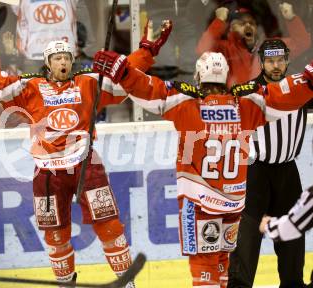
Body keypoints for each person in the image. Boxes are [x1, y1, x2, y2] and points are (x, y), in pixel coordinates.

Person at [0, 20, 171, 287]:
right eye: (57, 58)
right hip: (47, 171)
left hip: (86, 167)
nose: (63, 62)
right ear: (48, 62)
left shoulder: (87, 83)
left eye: (66, 57)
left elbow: (125, 77)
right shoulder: (29, 87)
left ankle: (127, 282)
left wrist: (146, 50)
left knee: (109, 225)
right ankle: (66, 282)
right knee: (55, 234)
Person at [92, 45, 313, 287]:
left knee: (204, 270)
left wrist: (122, 71)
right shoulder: (247, 104)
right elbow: (289, 93)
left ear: (198, 77)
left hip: (199, 206)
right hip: (232, 205)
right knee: (222, 266)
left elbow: (149, 90)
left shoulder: (186, 103)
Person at [227, 38, 311, 288]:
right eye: (270, 61)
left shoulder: (303, 89)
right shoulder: (249, 92)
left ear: (287, 61)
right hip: (256, 173)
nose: (276, 65)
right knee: (247, 240)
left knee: (292, 239)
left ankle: (293, 283)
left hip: (288, 172)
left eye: (280, 60)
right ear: (262, 63)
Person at [196, 3, 311, 87]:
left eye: (251, 23)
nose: (247, 25)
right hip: (237, 107)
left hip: (266, 107)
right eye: (241, 23)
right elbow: (203, 49)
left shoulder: (270, 46)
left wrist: (291, 19)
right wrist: (219, 21)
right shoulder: (224, 48)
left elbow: (302, 43)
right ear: (230, 29)